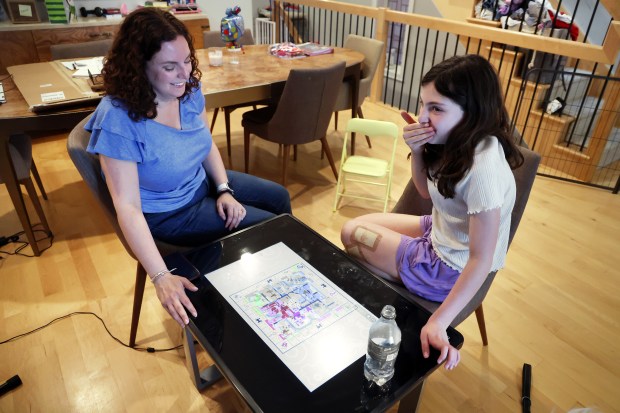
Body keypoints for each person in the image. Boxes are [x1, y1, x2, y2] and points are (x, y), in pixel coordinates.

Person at [85, 8, 291, 327]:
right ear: (138, 68)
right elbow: (126, 206)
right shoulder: (119, 118)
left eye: (186, 61)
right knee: (265, 227)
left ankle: (277, 281)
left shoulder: (188, 90)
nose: (184, 73)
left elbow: (204, 142)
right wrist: (160, 276)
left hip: (197, 182)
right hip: (169, 211)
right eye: (170, 67)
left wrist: (223, 189)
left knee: (279, 198)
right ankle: (258, 305)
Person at [341, 54, 524, 370]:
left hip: (449, 266)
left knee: (349, 235)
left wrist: (439, 322)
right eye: (423, 105)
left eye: (436, 108)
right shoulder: (461, 140)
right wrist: (417, 151)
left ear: (472, 113)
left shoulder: (483, 171)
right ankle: (403, 278)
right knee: (358, 226)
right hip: (440, 230)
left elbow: (482, 258)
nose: (422, 117)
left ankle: (410, 287)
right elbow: (427, 192)